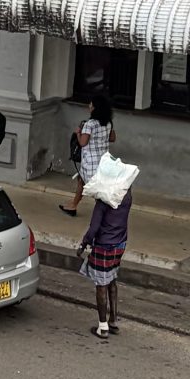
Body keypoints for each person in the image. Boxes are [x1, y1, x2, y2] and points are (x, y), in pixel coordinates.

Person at [77, 153, 137, 340]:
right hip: (120, 244)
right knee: (112, 280)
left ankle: (102, 327)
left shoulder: (103, 201)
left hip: (104, 245)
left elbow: (94, 228)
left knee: (101, 284)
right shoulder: (126, 197)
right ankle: (113, 321)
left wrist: (83, 244)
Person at [59, 92, 114, 216]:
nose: (89, 106)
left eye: (91, 104)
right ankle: (73, 205)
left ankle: (105, 215)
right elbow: (112, 138)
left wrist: (78, 133)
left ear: (95, 108)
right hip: (104, 162)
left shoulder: (90, 124)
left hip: (90, 163)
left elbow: (83, 143)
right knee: (81, 182)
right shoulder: (108, 123)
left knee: (96, 191)